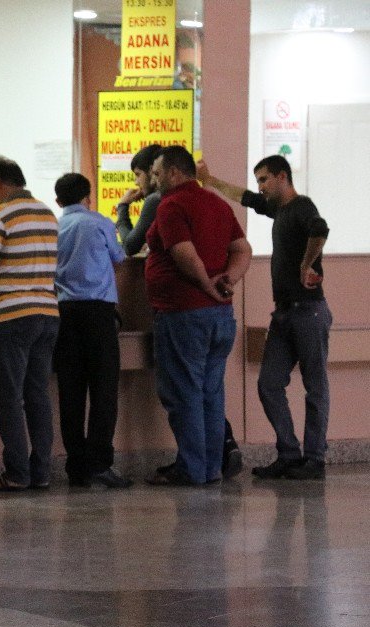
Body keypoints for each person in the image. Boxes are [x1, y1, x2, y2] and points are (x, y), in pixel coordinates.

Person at [198, 155, 331, 480]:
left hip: (308, 311)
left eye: (264, 179)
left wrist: (307, 264)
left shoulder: (301, 206)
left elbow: (320, 228)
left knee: (315, 386)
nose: (261, 186)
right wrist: (210, 180)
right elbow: (246, 197)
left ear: (282, 177)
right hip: (285, 312)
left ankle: (314, 459)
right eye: (258, 180)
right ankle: (288, 454)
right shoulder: (279, 210)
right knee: (269, 384)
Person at [119, 144, 245, 478]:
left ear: (175, 172)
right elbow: (242, 248)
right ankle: (210, 468)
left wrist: (206, 285)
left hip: (183, 314)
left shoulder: (172, 205)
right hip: (220, 316)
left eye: (158, 173)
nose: (154, 180)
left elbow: (184, 255)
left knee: (184, 392)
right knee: (210, 394)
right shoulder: (216, 203)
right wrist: (227, 281)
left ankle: (192, 468)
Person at [0, 156, 59, 492]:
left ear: (0, 183)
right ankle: (42, 472)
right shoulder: (48, 213)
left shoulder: (1, 213)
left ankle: (17, 473)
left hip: (13, 315)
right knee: (38, 396)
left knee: (8, 397)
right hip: (48, 312)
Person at [53, 173, 131, 489]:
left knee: (70, 391)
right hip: (99, 314)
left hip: (64, 314)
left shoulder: (54, 227)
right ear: (89, 196)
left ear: (58, 201)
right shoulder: (99, 222)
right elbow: (120, 257)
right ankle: (100, 463)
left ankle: (77, 467)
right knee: (103, 391)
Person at [116, 143, 163, 257]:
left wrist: (122, 206)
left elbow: (129, 247)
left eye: (138, 174)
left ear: (152, 171)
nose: (136, 182)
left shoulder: (155, 199)